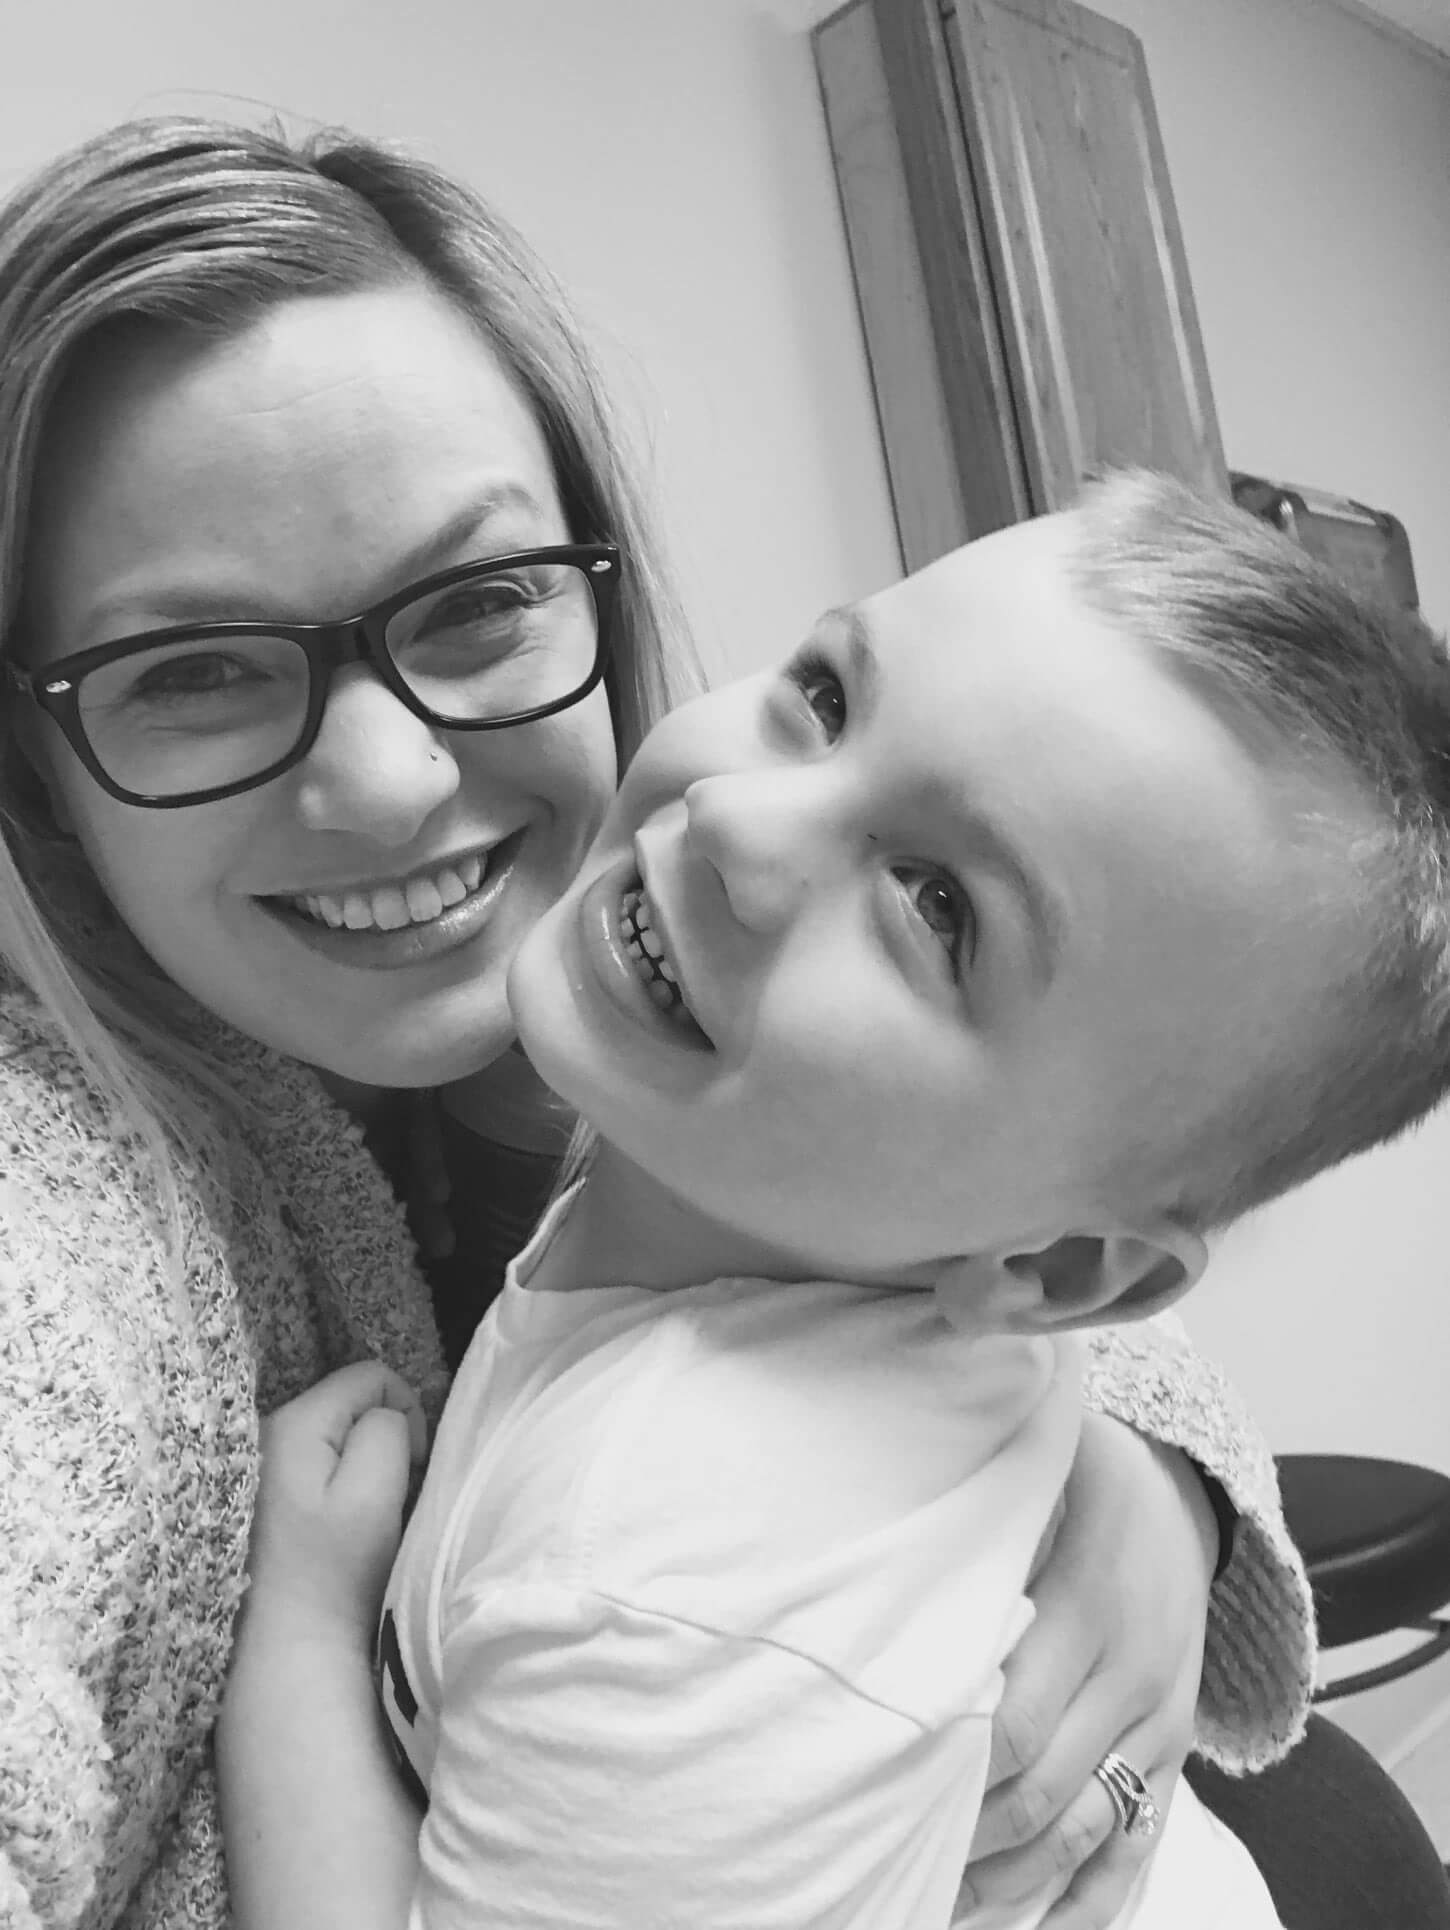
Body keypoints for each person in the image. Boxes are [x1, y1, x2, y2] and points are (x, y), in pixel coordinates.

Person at [0, 114, 1307, 1930]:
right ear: (38, 766)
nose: (390, 783)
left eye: (475, 604)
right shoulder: (54, 1232)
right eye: (193, 671)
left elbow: (1045, 1181)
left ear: (596, 599)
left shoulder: (691, 959)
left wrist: (1143, 1475)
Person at [214, 473, 1450, 1928]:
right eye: (824, 695)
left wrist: (299, 1637)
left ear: (1058, 1267)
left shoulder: (683, 1581)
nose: (739, 820)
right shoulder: (736, 1173)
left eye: (937, 904)